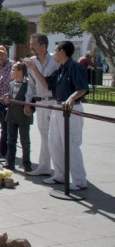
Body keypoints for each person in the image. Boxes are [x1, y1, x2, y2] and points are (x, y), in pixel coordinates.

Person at [27, 40, 89, 191]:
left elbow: (82, 88)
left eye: (55, 50)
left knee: (71, 145)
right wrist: (34, 69)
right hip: (58, 107)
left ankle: (80, 180)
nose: (53, 53)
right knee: (54, 143)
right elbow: (47, 84)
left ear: (62, 51)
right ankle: (60, 175)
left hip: (71, 110)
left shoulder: (75, 67)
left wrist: (72, 98)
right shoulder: (60, 69)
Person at [24, 33, 59, 176]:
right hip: (40, 103)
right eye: (30, 43)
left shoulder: (55, 60)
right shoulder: (32, 61)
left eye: (34, 44)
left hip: (55, 101)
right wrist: (27, 102)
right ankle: (44, 167)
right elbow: (31, 85)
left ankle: (59, 169)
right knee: (44, 136)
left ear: (43, 46)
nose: (30, 47)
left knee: (56, 136)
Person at [2, 62, 34, 171]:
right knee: (10, 140)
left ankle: (27, 163)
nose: (11, 72)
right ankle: (10, 162)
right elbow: (10, 95)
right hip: (12, 116)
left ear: (20, 71)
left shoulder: (28, 84)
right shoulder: (11, 84)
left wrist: (31, 109)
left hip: (23, 116)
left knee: (25, 141)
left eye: (13, 69)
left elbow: (33, 99)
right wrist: (6, 96)